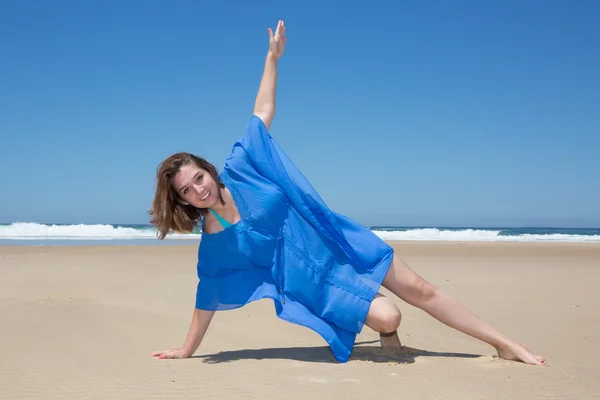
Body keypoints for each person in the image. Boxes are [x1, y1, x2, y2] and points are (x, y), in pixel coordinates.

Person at [148, 20, 545, 366]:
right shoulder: (215, 236)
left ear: (208, 170)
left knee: (421, 289)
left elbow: (262, 111)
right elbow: (209, 293)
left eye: (198, 177)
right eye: (187, 189)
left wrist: (273, 58)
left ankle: (505, 343)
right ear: (182, 200)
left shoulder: (243, 165)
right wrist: (186, 349)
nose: (198, 189)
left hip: (339, 241)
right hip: (318, 283)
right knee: (390, 317)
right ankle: (386, 334)